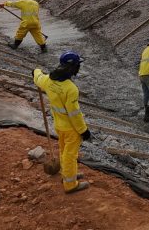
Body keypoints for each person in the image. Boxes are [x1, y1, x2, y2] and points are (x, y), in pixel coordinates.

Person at [33, 51, 91, 194]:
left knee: (64, 152)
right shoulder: (70, 89)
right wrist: (84, 131)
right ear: (73, 68)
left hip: (59, 125)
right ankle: (70, 185)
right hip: (71, 129)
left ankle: (67, 175)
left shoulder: (48, 80)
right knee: (70, 155)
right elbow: (74, 115)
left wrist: (35, 71)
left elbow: (38, 78)